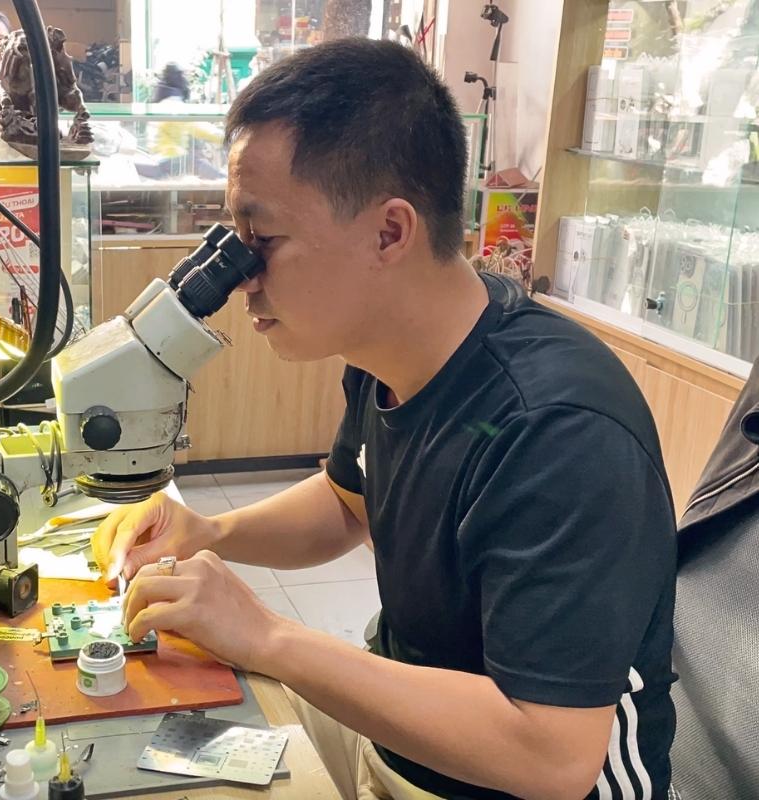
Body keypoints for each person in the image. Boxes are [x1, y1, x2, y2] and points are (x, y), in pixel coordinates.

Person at [93, 38, 676, 800]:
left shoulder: (560, 431)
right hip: (401, 742)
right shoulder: (385, 357)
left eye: (261, 241)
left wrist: (266, 635)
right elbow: (348, 504)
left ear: (389, 232)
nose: (241, 281)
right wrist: (208, 531)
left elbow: (550, 757)